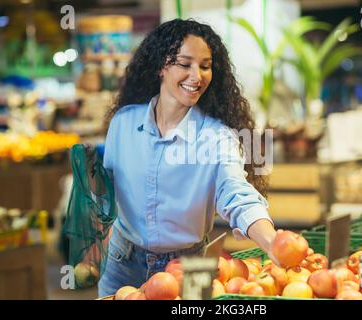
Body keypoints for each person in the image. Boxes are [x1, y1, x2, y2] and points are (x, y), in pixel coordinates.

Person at [97, 18, 278, 297]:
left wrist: (273, 242)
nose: (197, 76)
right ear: (161, 66)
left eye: (205, 66)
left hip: (186, 268)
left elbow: (237, 194)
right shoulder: (123, 123)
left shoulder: (218, 137)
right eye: (185, 64)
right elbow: (107, 189)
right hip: (121, 265)